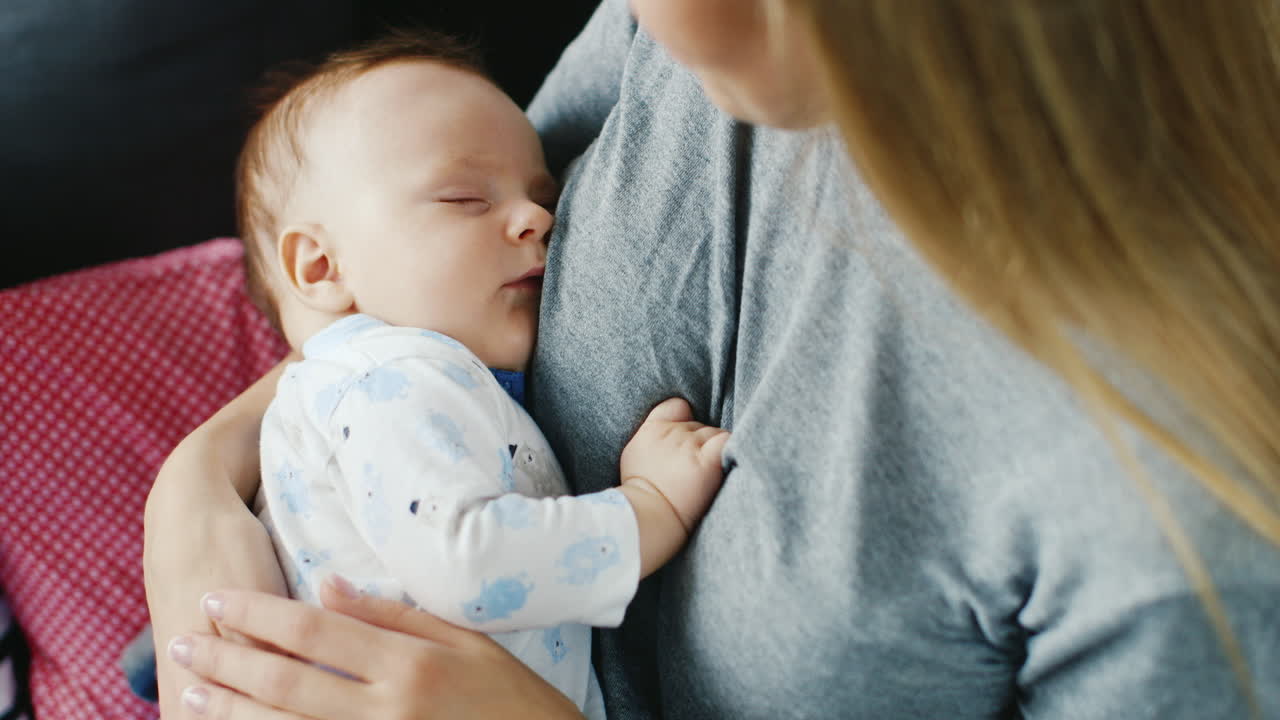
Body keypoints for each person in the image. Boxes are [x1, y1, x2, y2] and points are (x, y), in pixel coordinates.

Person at [144, 1, 1280, 718]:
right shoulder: (682, 47)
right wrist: (194, 487)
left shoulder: (1181, 533)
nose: (533, 220)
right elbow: (394, 275)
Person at [212, 30, 727, 719]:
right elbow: (468, 564)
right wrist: (650, 507)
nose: (537, 218)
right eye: (464, 198)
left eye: (542, 196)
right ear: (321, 267)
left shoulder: (370, 389)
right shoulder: (387, 378)